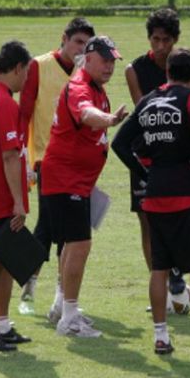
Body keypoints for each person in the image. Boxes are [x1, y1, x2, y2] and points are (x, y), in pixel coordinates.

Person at [113, 48, 190, 357]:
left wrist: (144, 173)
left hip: (155, 194)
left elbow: (119, 143)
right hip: (186, 193)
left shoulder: (146, 101)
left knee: (159, 267)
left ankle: (161, 337)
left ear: (167, 71)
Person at [41, 36, 128, 337]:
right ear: (88, 58)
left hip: (72, 179)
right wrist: (109, 119)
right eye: (104, 60)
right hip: (66, 179)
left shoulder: (95, 88)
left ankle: (61, 307)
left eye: (112, 60)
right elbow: (86, 115)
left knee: (70, 244)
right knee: (79, 244)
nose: (109, 66)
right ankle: (69, 318)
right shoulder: (79, 86)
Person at [17, 17, 95, 315]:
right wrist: (25, 156)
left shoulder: (86, 74)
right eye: (77, 42)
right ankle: (51, 295)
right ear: (64, 38)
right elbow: (24, 113)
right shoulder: (39, 66)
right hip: (44, 161)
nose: (80, 50)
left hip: (75, 165)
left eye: (86, 46)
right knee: (56, 229)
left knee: (52, 228)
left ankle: (35, 286)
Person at [123, 7, 190, 314]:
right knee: (147, 222)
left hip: (175, 157)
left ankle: (176, 273)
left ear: (175, 40)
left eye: (165, 40)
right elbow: (143, 113)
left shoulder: (188, 66)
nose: (160, 46)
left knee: (177, 221)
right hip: (144, 155)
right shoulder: (134, 70)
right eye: (154, 39)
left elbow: (189, 107)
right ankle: (160, 285)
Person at [0, 40, 33, 351]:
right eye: (26, 72)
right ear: (17, 68)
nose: (27, 79)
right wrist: (18, 200)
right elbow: (9, 156)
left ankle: (1, 324)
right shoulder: (4, 102)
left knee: (4, 260)